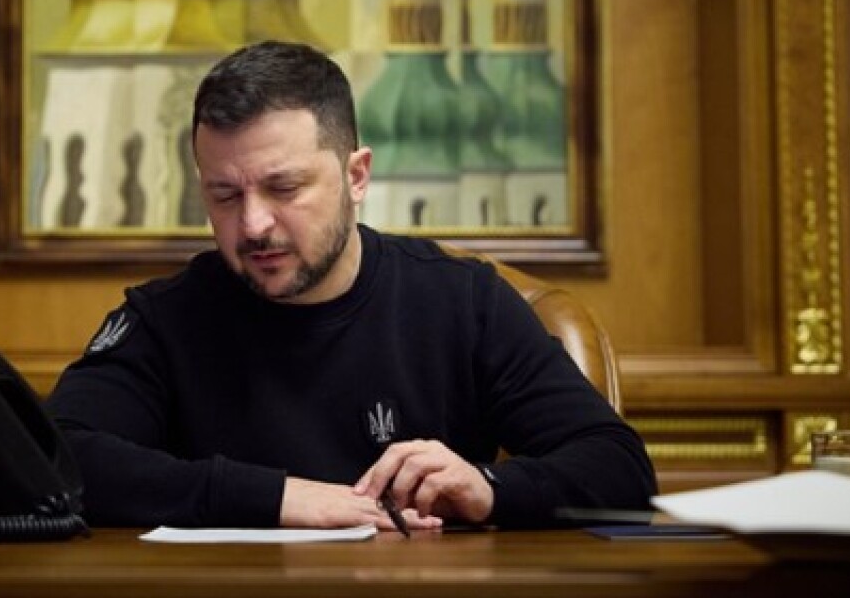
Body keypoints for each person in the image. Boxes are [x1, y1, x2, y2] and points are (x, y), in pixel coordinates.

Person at [45, 41, 656, 531]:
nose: (253, 224)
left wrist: (488, 487)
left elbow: (618, 466)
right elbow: (54, 459)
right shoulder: (166, 319)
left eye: (284, 188)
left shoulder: (461, 301)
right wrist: (274, 497)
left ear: (356, 176)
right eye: (224, 195)